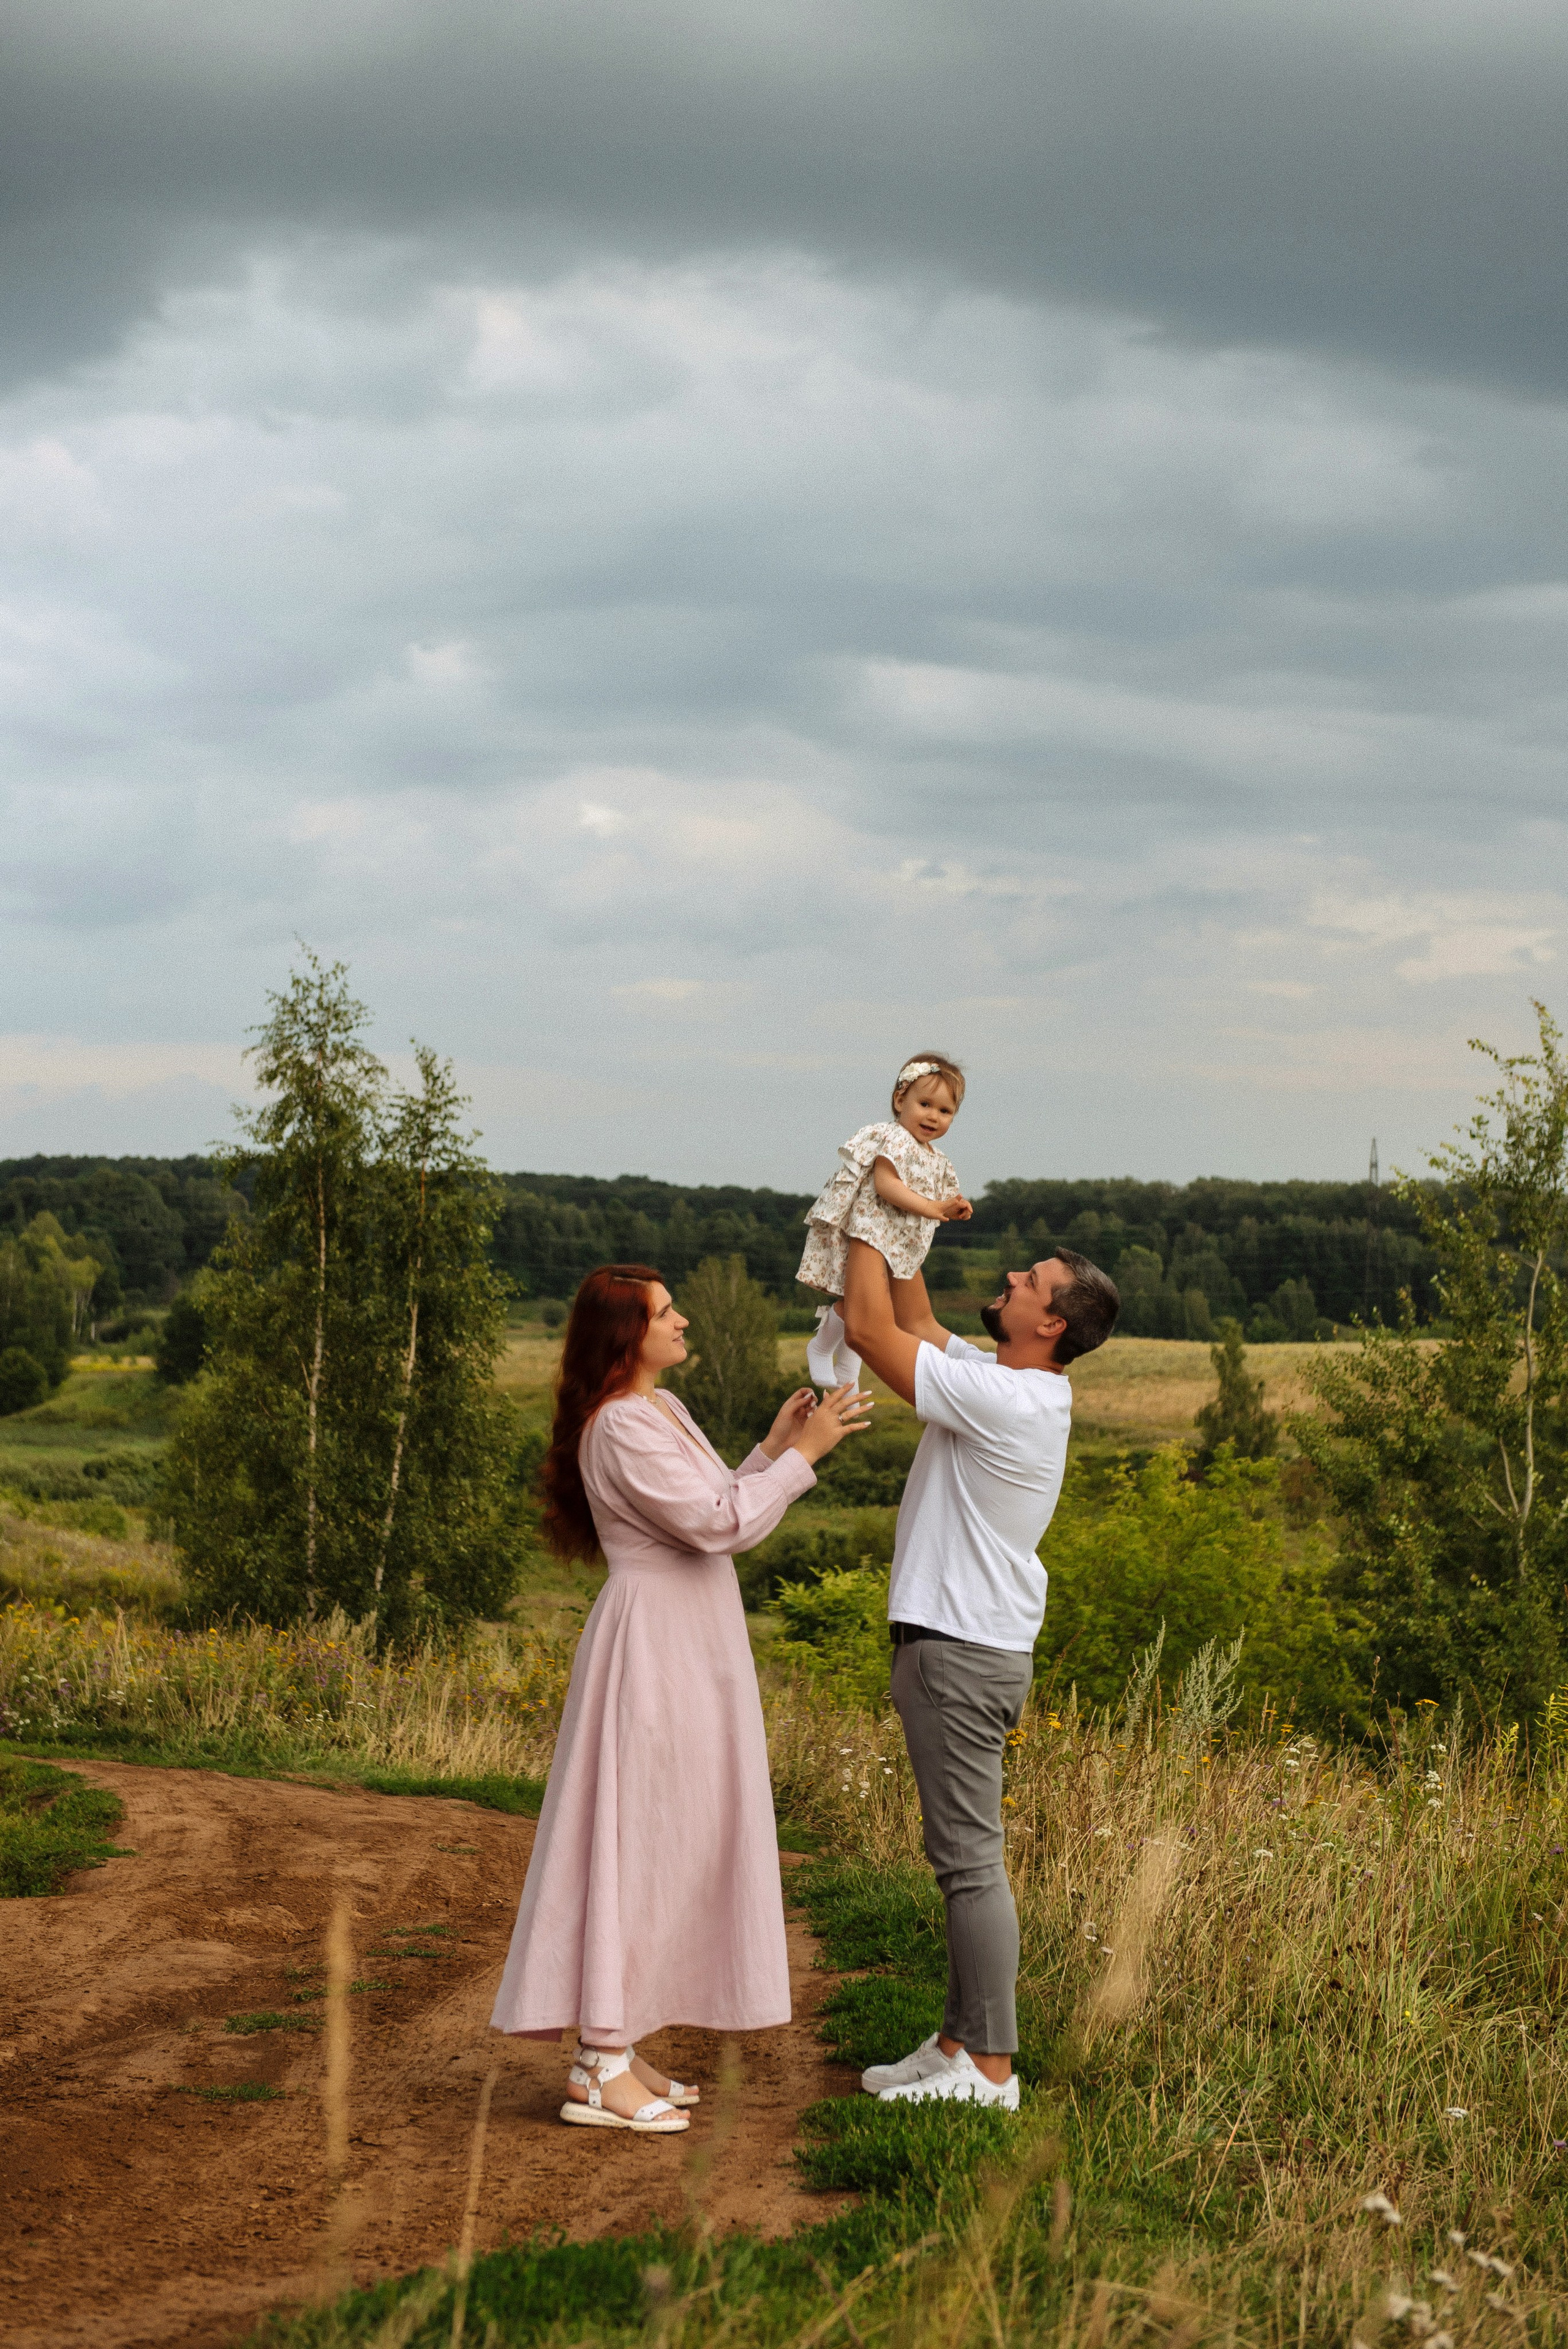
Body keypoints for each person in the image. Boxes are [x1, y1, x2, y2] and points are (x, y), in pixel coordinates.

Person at [489, 1263, 872, 2134]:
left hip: (689, 1641)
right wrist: (806, 1460)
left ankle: (620, 2040)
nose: (684, 1318)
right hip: (656, 1650)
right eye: (667, 1312)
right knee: (639, 1840)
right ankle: (598, 2063)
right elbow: (720, 1525)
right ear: (627, 1334)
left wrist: (771, 1451)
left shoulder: (657, 1408)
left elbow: (712, 1506)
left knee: (673, 1839)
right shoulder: (622, 1423)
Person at [839, 1236, 1119, 2111]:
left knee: (970, 1863)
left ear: (1052, 1321)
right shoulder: (1005, 1379)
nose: (1009, 1277)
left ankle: (991, 2069)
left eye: (1029, 1281)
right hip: (963, 1645)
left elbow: (868, 1324)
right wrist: (901, 1213)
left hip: (960, 1649)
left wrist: (859, 1218)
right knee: (962, 1856)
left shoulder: (1009, 1399)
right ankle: (959, 2040)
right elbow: (915, 1316)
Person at [796, 1053, 973, 1391]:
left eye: (945, 1111)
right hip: (871, 1229)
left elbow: (941, 1200)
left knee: (877, 1306)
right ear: (899, 1099)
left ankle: (848, 1366)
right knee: (862, 1302)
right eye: (925, 1104)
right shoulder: (894, 1138)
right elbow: (887, 1184)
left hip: (899, 1241)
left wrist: (953, 1207)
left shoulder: (936, 1159)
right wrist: (931, 1207)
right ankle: (821, 1347)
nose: (933, 1117)